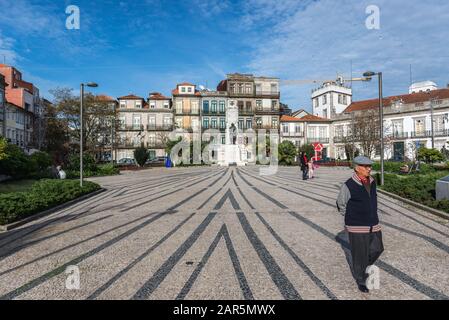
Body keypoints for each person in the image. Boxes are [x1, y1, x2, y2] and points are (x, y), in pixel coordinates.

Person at [336, 156, 384, 293]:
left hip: (373, 223)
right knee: (359, 254)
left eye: (370, 166)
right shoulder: (348, 185)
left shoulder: (373, 181)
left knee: (377, 248)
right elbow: (341, 203)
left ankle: (363, 265)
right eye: (366, 166)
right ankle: (361, 279)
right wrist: (350, 218)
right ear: (357, 168)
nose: (369, 169)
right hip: (356, 225)